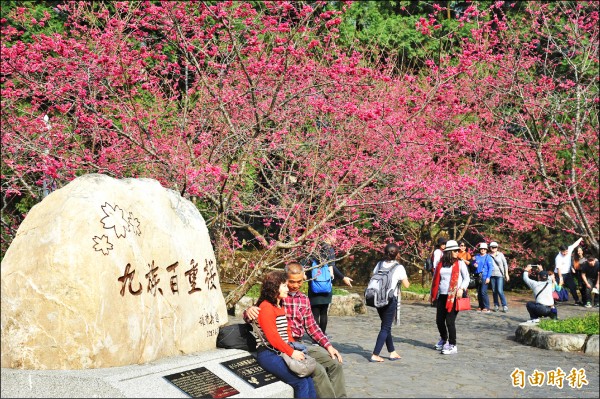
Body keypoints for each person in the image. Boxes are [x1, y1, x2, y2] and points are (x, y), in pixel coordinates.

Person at [244, 262, 347, 398]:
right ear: (283, 280)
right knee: (317, 371)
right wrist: (248, 311)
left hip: (296, 344)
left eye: (299, 281)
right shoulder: (273, 300)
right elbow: (259, 316)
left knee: (335, 363)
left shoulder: (303, 299)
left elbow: (312, 326)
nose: (295, 285)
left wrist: (328, 346)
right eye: (291, 282)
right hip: (282, 348)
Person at [253, 270, 317, 398]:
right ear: (274, 287)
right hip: (269, 353)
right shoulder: (266, 307)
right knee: (300, 382)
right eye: (284, 285)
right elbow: (273, 337)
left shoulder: (278, 305)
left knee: (307, 377)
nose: (287, 289)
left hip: (281, 350)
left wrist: (294, 347)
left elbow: (286, 332)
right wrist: (292, 352)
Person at [369, 243, 410, 363]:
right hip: (390, 300)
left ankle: (392, 352)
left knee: (386, 326)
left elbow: (374, 276)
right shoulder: (399, 267)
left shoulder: (379, 264)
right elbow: (406, 285)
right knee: (385, 327)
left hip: (377, 298)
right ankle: (375, 354)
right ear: (397, 254)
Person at [307, 235, 353, 335]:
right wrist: (343, 277)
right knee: (323, 313)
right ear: (327, 237)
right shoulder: (329, 249)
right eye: (334, 236)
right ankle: (322, 335)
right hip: (326, 285)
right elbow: (332, 266)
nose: (336, 239)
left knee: (315, 313)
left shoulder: (313, 248)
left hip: (314, 284)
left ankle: (315, 338)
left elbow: (306, 264)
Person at [430, 240, 470, 355]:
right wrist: (433, 293)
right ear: (448, 252)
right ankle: (444, 339)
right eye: (455, 251)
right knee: (439, 320)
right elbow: (435, 279)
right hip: (442, 295)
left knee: (450, 321)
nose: (458, 252)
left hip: (454, 295)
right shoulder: (441, 264)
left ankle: (453, 344)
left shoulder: (460, 263)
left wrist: (462, 288)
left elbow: (466, 278)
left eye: (458, 250)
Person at [554, 237, 583, 306]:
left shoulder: (569, 249)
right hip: (559, 274)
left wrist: (581, 238)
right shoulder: (558, 258)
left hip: (568, 273)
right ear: (560, 251)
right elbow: (559, 269)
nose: (565, 253)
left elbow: (575, 244)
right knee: (557, 287)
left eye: (566, 251)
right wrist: (561, 278)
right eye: (563, 252)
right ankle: (554, 300)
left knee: (572, 286)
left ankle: (577, 300)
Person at [489, 241, 510, 312]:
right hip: (492, 275)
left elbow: (505, 264)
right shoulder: (488, 255)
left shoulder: (500, 254)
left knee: (499, 290)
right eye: (492, 247)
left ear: (497, 248)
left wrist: (506, 274)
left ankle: (504, 305)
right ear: (490, 248)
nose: (493, 248)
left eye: (495, 247)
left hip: (500, 275)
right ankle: (496, 305)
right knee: (494, 291)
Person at [473, 242, 494, 313]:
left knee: (483, 292)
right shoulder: (477, 256)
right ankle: (480, 306)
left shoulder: (488, 257)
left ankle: (486, 307)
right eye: (481, 249)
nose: (483, 250)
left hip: (485, 276)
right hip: (477, 276)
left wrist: (488, 277)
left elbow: (490, 268)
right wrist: (474, 265)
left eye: (484, 249)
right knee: (479, 292)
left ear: (486, 250)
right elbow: (473, 263)